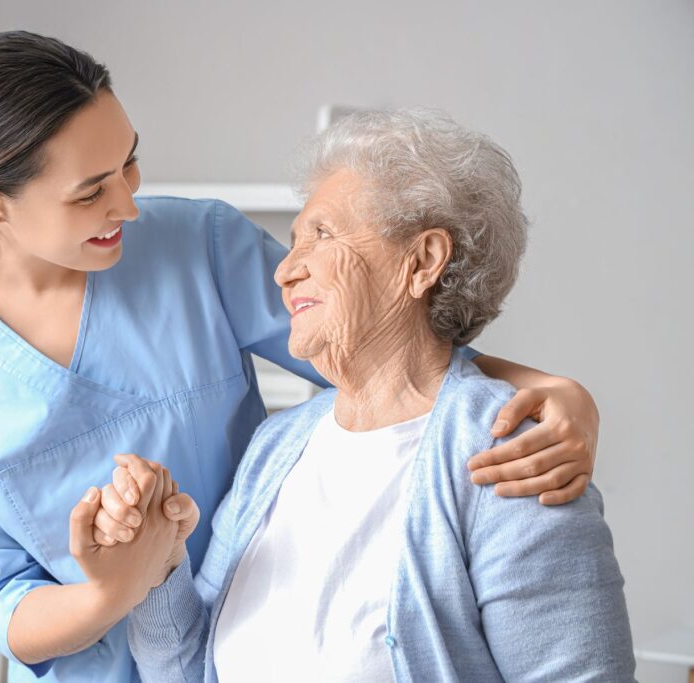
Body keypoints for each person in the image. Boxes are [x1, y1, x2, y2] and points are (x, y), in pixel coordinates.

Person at [0, 32, 603, 682]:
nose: (128, 205)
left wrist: (551, 389)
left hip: (271, 634)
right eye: (91, 191)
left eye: (129, 164)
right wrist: (120, 584)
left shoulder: (198, 245)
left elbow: (382, 358)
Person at [76, 108, 634, 681]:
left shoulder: (512, 455)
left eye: (320, 234)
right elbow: (186, 669)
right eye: (292, 243)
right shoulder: (277, 446)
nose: (285, 271)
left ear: (420, 262)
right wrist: (159, 565)